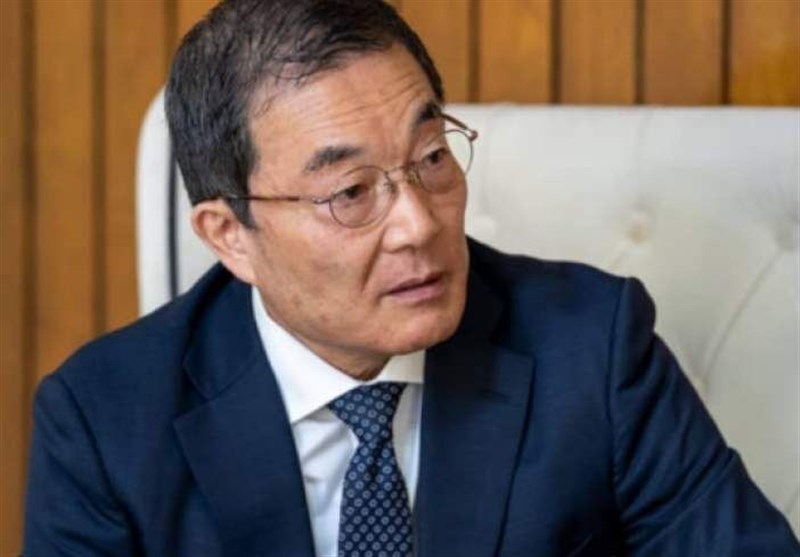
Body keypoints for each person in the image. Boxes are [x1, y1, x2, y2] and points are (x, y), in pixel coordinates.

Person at [23, 0, 800, 555]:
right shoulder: (103, 421)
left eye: (431, 157)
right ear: (231, 235)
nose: (419, 225)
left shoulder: (593, 346)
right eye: (350, 193)